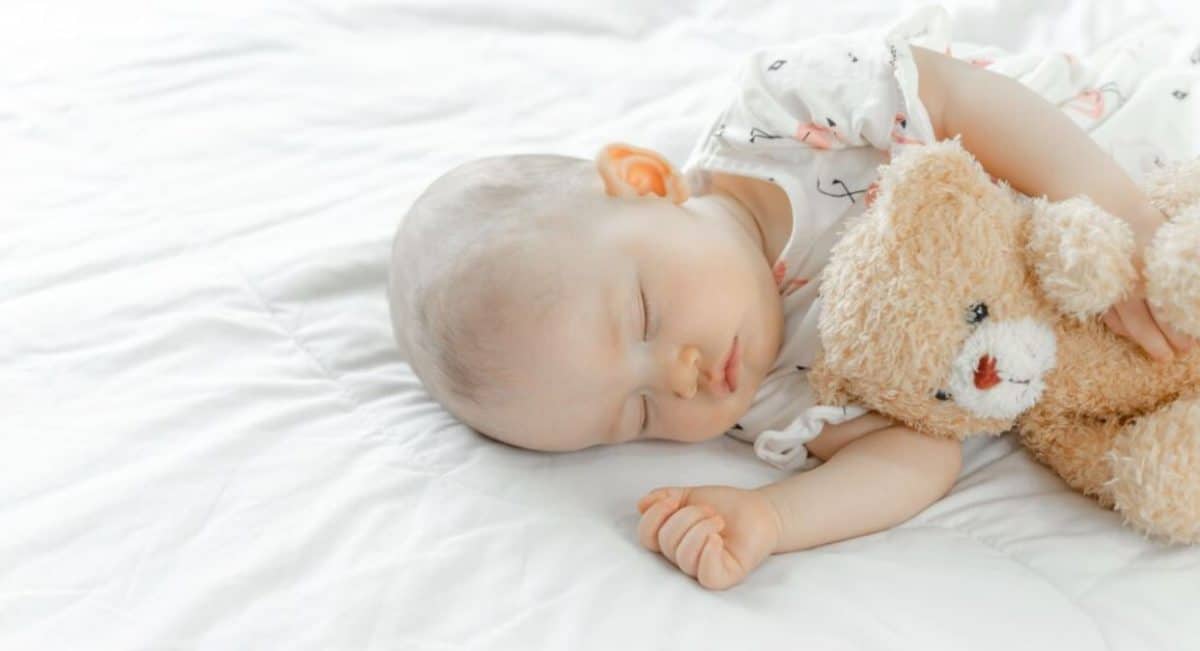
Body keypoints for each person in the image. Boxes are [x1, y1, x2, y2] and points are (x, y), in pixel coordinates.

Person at [388, 6, 1199, 589]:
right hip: (1134, 347)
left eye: (643, 316)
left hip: (1120, 158)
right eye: (637, 413)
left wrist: (1118, 217)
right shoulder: (770, 396)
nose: (680, 377)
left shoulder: (780, 117)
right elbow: (921, 452)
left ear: (647, 180)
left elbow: (960, 100)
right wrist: (773, 517)